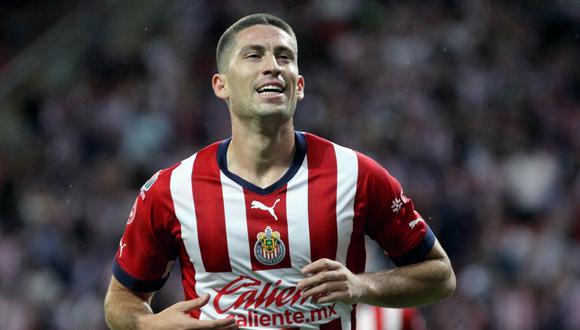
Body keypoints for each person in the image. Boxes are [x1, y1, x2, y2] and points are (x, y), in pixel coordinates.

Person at [103, 13, 455, 330]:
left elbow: (440, 276)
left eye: (284, 57)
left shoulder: (356, 174)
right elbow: (121, 300)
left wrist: (362, 285)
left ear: (298, 86)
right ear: (220, 84)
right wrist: (148, 326)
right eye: (254, 55)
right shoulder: (172, 189)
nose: (273, 66)